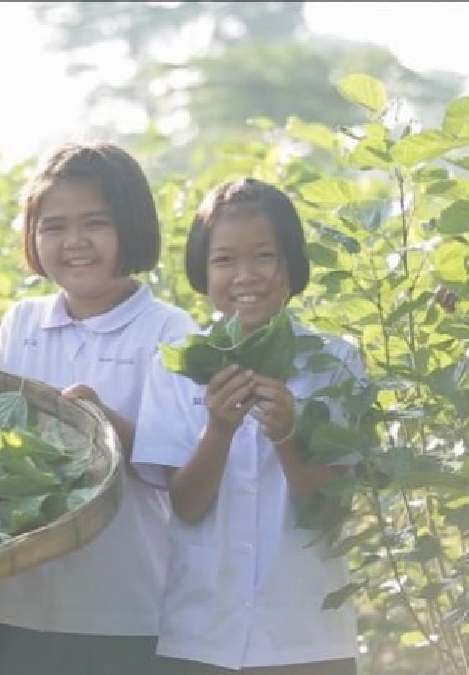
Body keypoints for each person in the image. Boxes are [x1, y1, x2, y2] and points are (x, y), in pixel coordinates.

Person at [0, 142, 197, 675]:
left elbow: (183, 476)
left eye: (94, 223)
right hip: (18, 600)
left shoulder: (169, 331)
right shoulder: (22, 324)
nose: (74, 242)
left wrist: (101, 425)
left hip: (125, 607)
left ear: (133, 227)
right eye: (53, 226)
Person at [131, 178, 364, 674]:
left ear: (291, 264)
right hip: (201, 636)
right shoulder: (178, 363)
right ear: (202, 269)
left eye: (264, 255)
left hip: (306, 639)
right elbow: (188, 505)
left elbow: (330, 514)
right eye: (224, 260)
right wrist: (217, 430)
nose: (245, 276)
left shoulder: (335, 363)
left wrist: (286, 438)